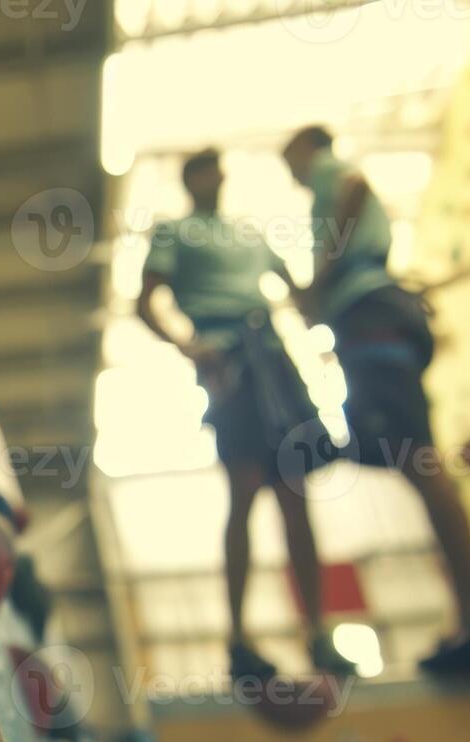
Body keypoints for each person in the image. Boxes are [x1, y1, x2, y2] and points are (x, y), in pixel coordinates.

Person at [281, 125, 470, 674]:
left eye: (291, 157)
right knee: (409, 457)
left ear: (307, 148)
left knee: (419, 463)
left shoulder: (329, 173)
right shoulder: (329, 189)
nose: (291, 168)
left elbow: (355, 187)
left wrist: (321, 279)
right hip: (372, 322)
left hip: (371, 316)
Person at [138, 149, 353, 682]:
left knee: (294, 493)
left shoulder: (251, 235)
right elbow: (143, 302)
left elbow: (301, 294)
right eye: (207, 169)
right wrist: (189, 348)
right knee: (244, 488)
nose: (217, 177)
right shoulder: (173, 233)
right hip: (229, 362)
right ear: (191, 180)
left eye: (219, 168)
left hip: (274, 358)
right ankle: (237, 638)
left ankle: (318, 632)